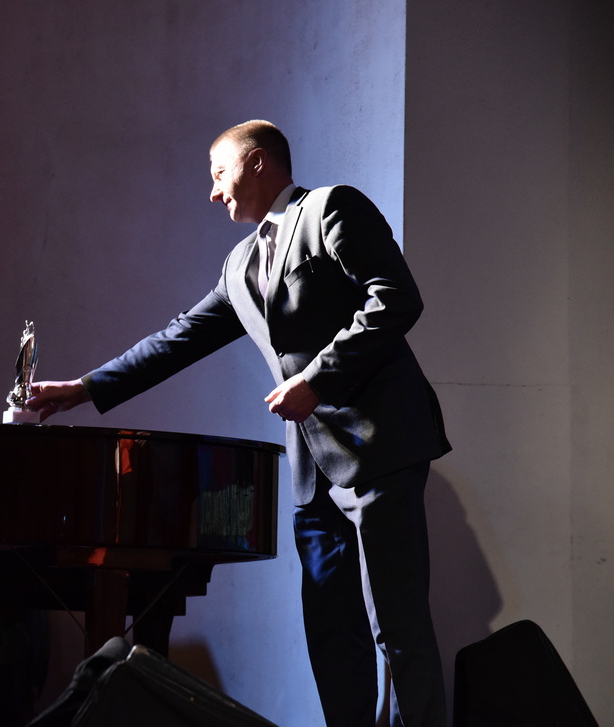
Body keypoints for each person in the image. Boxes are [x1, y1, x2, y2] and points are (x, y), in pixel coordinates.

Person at [26, 120, 451, 727]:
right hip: (311, 474)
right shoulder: (239, 265)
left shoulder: (330, 208)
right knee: (332, 637)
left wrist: (318, 379)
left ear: (257, 163)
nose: (212, 191)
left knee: (397, 628)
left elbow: (396, 298)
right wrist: (85, 389)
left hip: (377, 450)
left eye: (218, 173)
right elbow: (177, 339)